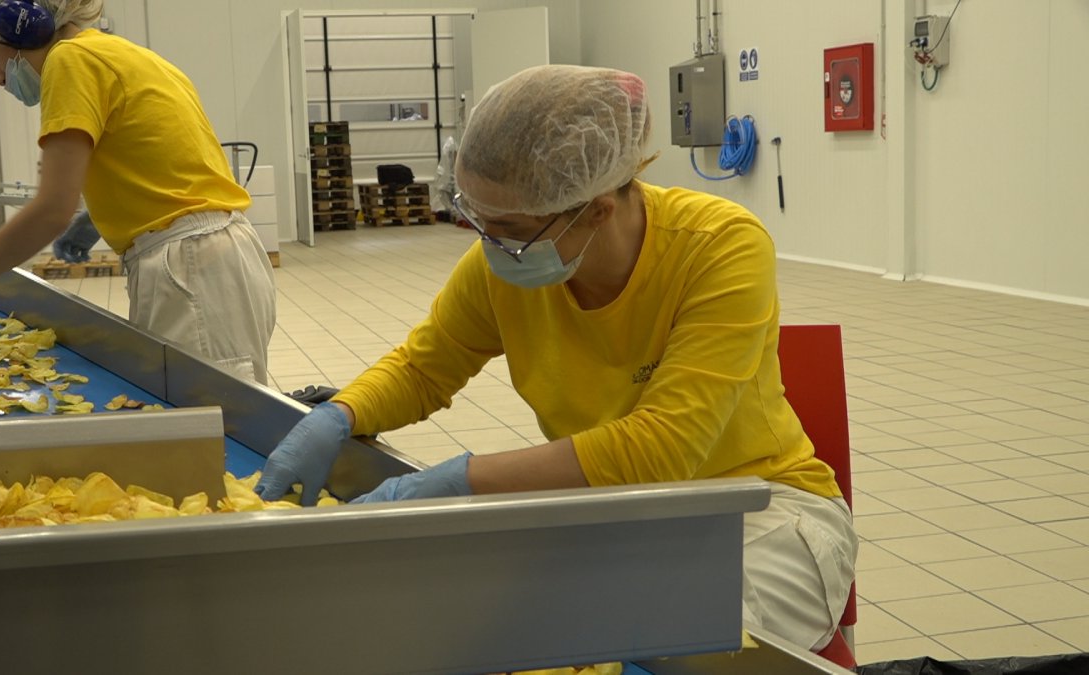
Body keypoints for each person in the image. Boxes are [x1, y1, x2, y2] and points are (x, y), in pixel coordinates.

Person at [254, 64, 857, 651]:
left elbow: (664, 448)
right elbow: (423, 367)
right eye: (477, 219)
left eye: (510, 225)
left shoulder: (719, 247)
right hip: (612, 513)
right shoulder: (504, 267)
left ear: (597, 207)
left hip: (759, 513)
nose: (490, 241)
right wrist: (340, 415)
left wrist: (460, 480)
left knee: (679, 636)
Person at [0, 0, 276, 384]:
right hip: (217, 255)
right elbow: (167, 158)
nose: (1, 78)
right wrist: (98, 218)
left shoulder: (68, 61)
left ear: (24, 27)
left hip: (191, 267)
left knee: (207, 423)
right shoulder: (125, 54)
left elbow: (49, 213)